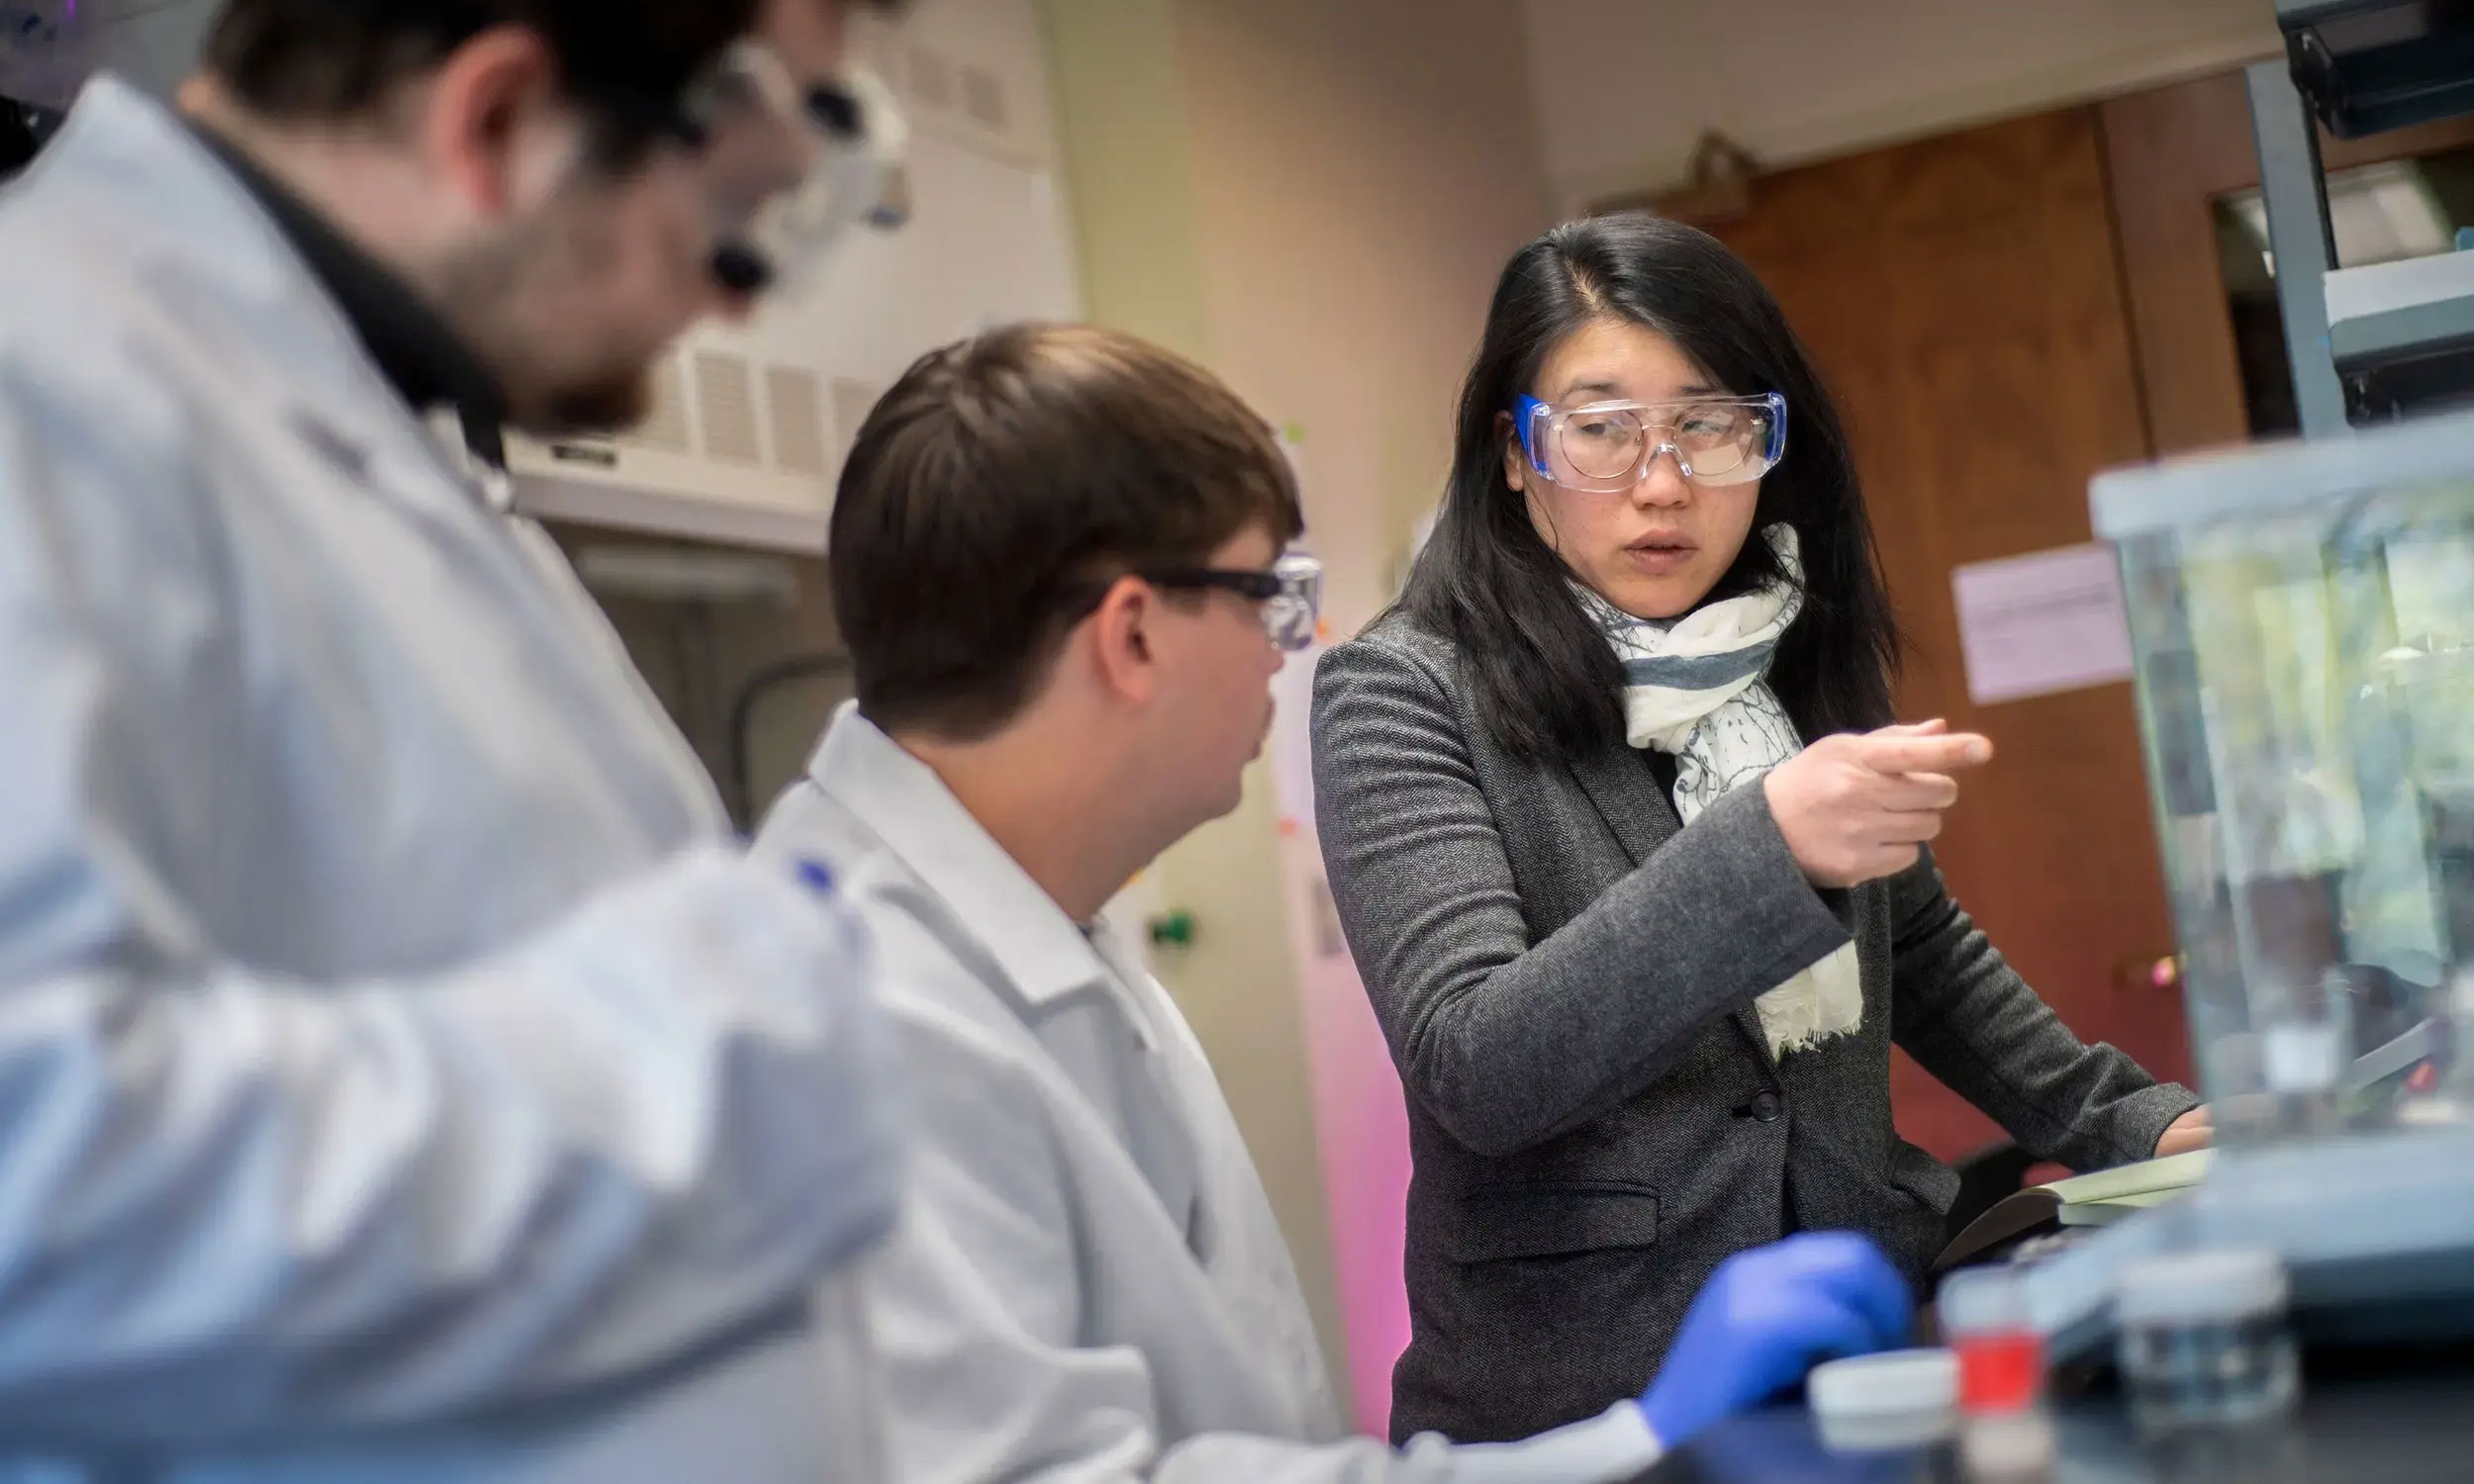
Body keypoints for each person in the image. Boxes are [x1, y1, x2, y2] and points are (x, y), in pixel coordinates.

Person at [752, 321, 1916, 1484]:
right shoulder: (865, 1022)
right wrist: (1640, 1442)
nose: (1287, 651)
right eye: (1268, 596)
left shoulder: (1034, 937)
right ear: (1133, 634)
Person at [0, 0, 904, 1473]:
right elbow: (33, 1180)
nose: (736, 305)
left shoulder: (374, 442)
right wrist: (678, 1073)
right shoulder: (43, 388)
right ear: (493, 120)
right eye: (734, 217)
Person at [1308, 212, 2211, 1446]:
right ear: (1514, 454)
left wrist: (2131, 1122)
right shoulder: (1401, 688)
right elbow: (1474, 1063)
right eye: (1601, 429)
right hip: (1580, 1399)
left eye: (1708, 424)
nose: (1662, 481)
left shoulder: (1779, 651)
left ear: (1768, 442)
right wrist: (1764, 851)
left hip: (1862, 1340)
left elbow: (1914, 946)